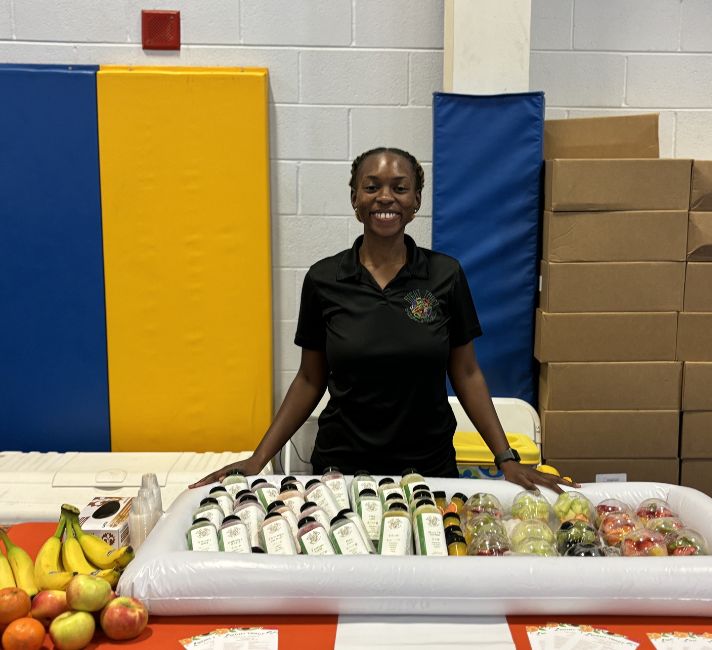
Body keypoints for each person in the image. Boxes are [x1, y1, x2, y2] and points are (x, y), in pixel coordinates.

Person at [192, 147, 574, 493]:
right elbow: (310, 378)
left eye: (400, 187)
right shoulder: (324, 280)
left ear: (416, 201)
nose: (385, 197)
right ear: (355, 200)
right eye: (371, 187)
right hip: (340, 472)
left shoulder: (445, 275)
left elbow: (467, 373)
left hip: (429, 470)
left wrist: (505, 457)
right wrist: (258, 460)